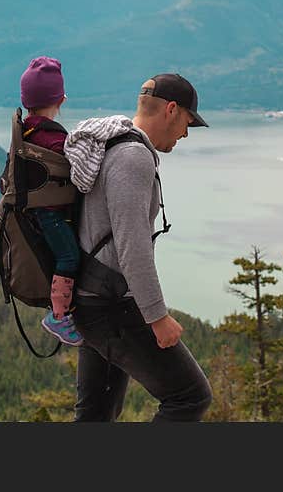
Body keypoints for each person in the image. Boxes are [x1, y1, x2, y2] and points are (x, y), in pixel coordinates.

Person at [64, 73, 213, 421]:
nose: (185, 134)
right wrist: (157, 317)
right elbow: (132, 248)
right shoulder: (133, 157)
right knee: (189, 396)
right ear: (171, 110)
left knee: (95, 415)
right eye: (187, 123)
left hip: (91, 298)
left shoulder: (110, 144)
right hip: (113, 307)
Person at [19, 56, 83, 346]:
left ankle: (61, 308)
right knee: (69, 257)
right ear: (61, 99)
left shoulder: (26, 131)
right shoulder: (54, 140)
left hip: (35, 211)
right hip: (52, 213)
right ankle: (57, 316)